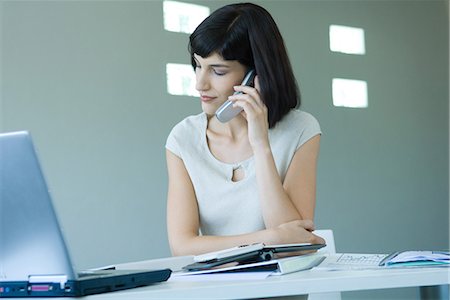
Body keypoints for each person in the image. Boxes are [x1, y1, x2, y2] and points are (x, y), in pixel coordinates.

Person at [165, 2, 324, 256]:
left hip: (279, 293)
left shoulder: (301, 130)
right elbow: (182, 247)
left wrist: (261, 144)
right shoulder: (183, 139)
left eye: (217, 71)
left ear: (256, 74)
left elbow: (296, 246)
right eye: (197, 65)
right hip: (215, 292)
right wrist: (268, 239)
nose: (199, 83)